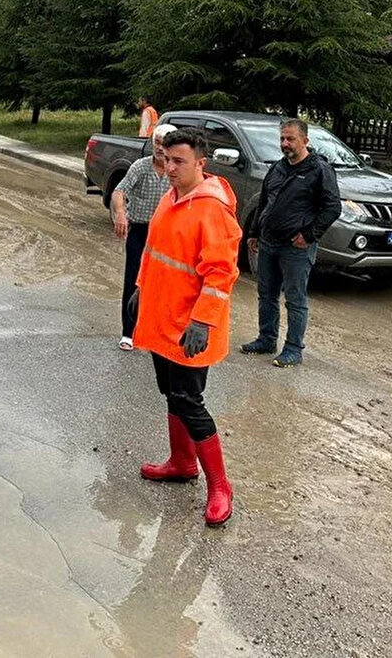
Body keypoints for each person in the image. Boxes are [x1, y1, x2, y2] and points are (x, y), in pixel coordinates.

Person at [131, 127, 241, 527]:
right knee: (171, 394)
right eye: (166, 159)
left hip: (191, 328)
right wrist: (141, 288)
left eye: (179, 161)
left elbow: (221, 273)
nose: (170, 167)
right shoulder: (170, 196)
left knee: (189, 402)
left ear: (201, 163)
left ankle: (220, 486)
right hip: (163, 320)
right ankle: (181, 462)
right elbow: (155, 249)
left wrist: (202, 320)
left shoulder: (212, 209)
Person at [240, 118, 341, 368]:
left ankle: (294, 349)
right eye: (282, 139)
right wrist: (253, 232)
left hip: (296, 247)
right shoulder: (277, 168)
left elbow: (332, 207)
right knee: (267, 294)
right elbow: (264, 201)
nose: (285, 143)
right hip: (268, 242)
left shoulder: (318, 169)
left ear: (305, 140)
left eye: (291, 139)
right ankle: (266, 339)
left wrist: (309, 235)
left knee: (295, 299)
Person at [112, 123, 176, 351]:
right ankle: (128, 332)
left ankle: (157, 332)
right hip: (139, 231)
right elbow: (119, 191)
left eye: (165, 143)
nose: (160, 148)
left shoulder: (176, 171)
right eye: (157, 142)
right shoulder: (140, 167)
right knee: (133, 280)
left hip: (166, 235)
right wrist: (120, 213)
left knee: (164, 284)